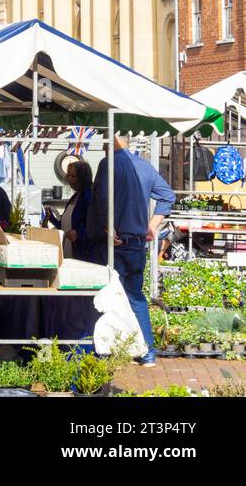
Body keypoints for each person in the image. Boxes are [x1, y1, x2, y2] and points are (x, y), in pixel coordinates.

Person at [87, 137, 174, 366]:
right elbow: (167, 196)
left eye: (105, 142)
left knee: (107, 295)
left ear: (111, 142)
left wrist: (109, 228)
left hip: (116, 242)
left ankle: (105, 351)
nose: (103, 147)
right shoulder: (144, 166)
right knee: (135, 297)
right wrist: (153, 225)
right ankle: (147, 354)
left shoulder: (108, 165)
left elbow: (102, 200)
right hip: (137, 242)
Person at [44, 157, 97, 262]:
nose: (69, 179)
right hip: (68, 253)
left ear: (82, 178)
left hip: (82, 254)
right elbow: (64, 226)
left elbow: (94, 225)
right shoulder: (75, 196)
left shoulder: (88, 196)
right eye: (68, 175)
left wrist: (79, 234)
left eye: (73, 176)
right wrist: (51, 218)